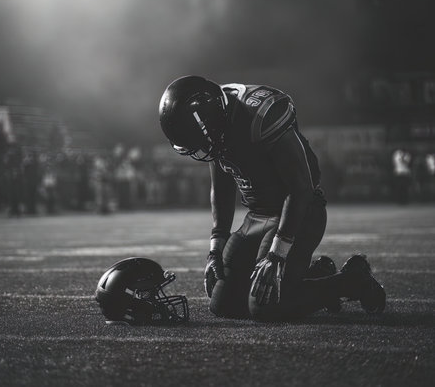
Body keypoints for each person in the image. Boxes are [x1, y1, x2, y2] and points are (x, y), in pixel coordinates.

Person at [159, 75, 386, 321]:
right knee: (224, 304)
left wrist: (277, 253)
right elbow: (222, 187)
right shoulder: (215, 114)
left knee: (263, 307)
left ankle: (353, 282)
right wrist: (216, 247)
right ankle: (316, 274)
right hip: (257, 215)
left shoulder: (260, 114)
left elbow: (300, 188)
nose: (203, 151)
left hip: (300, 212)